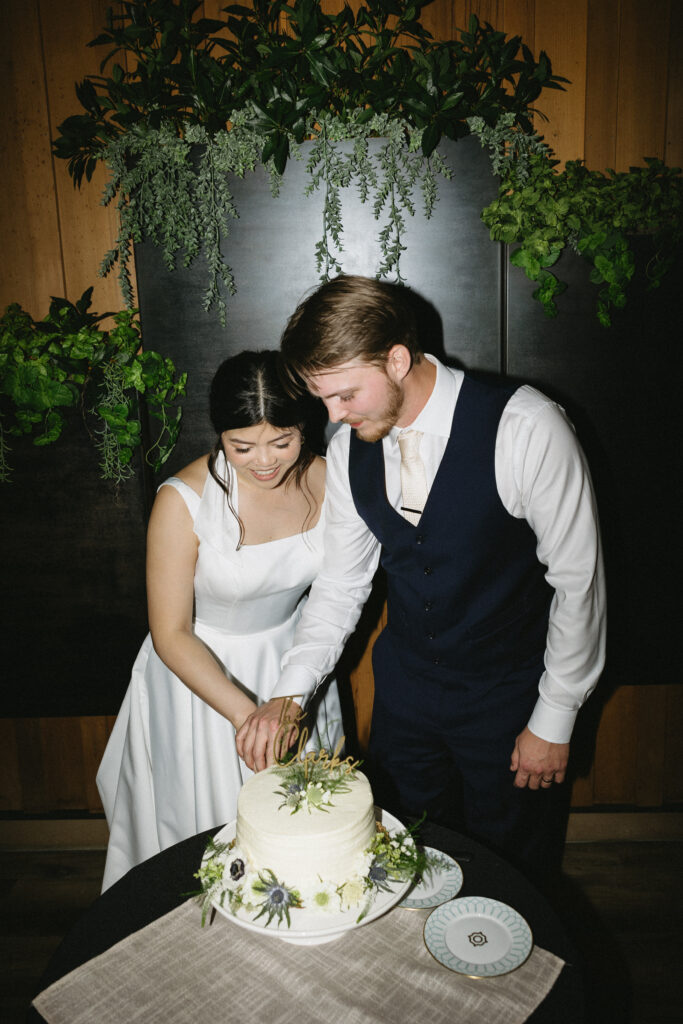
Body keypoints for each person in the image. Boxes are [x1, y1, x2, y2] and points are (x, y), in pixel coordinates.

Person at [236, 276, 606, 880]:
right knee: (406, 864)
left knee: (514, 874)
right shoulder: (349, 445)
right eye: (322, 398)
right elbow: (340, 586)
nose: (333, 415)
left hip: (509, 698)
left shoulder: (527, 427)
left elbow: (579, 584)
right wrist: (289, 694)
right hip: (406, 702)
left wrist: (555, 715)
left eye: (346, 395)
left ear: (398, 360)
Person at [97, 350, 342, 891]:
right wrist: (246, 715)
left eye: (283, 442)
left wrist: (288, 701)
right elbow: (171, 633)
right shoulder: (182, 501)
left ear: (306, 426)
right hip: (201, 679)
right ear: (220, 434)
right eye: (242, 446)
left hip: (296, 665)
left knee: (302, 833)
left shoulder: (331, 479)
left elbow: (339, 592)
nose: (264, 462)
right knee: (209, 836)